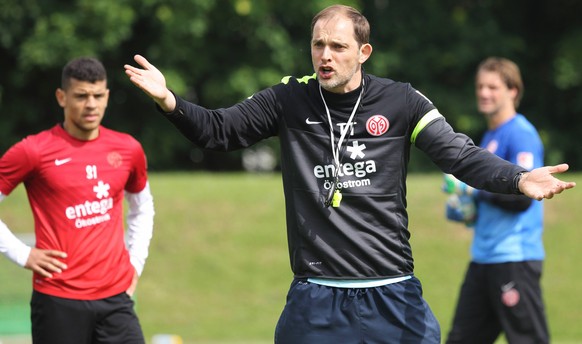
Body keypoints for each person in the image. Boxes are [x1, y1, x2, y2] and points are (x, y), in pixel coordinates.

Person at [124, 5, 574, 343]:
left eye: (337, 47)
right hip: (316, 296)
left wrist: (518, 178)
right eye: (318, 45)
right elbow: (218, 132)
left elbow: (459, 154)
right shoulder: (288, 99)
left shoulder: (401, 101)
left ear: (363, 52)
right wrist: (171, 102)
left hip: (391, 293)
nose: (325, 55)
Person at [0, 57, 155, 344]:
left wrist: (136, 262)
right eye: (81, 96)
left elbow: (142, 208)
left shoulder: (128, 149)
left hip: (115, 299)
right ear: (62, 97)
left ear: (107, 96)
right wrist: (22, 254)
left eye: (98, 96)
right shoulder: (33, 151)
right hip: (58, 300)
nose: (91, 104)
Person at [444, 57, 549, 343]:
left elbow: (523, 199)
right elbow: (492, 196)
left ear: (513, 90)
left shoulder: (520, 134)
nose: (484, 93)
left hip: (513, 258)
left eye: (493, 87)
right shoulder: (489, 136)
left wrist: (474, 191)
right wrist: (466, 208)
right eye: (480, 86)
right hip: (484, 258)